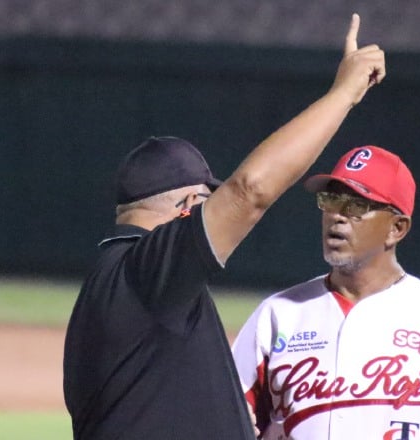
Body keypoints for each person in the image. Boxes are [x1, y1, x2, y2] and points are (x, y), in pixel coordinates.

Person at [62, 13, 386, 440]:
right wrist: (344, 93)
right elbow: (250, 190)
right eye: (206, 203)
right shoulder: (145, 274)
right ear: (188, 206)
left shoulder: (117, 283)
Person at [231, 145, 420, 439]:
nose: (337, 216)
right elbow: (225, 412)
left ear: (397, 228)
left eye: (356, 206)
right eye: (331, 200)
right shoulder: (278, 314)